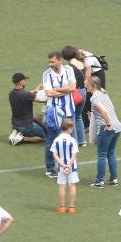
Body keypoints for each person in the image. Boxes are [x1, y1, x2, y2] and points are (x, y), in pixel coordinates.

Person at [41, 50, 77, 179]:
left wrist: (57, 90)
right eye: (49, 61)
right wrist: (65, 90)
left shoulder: (69, 70)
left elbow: (73, 87)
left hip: (68, 111)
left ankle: (66, 165)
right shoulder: (46, 74)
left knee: (68, 139)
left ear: (60, 60)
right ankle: (50, 168)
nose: (50, 64)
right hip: (53, 111)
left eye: (52, 61)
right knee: (52, 140)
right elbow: (49, 93)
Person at [85, 76, 120, 187]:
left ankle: (99, 181)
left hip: (106, 127)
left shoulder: (94, 97)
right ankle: (114, 179)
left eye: (87, 84)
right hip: (117, 127)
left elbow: (104, 111)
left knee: (102, 155)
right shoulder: (104, 93)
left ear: (94, 85)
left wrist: (108, 124)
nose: (85, 86)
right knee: (111, 153)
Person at [49, 117, 79, 213]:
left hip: (61, 167)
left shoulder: (57, 140)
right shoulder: (72, 140)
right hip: (72, 167)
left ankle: (62, 207)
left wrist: (62, 164)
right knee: (72, 186)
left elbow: (54, 154)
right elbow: (74, 154)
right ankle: (71, 207)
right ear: (69, 128)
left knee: (62, 186)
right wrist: (69, 165)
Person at [8, 73, 44, 144]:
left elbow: (29, 95)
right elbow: (40, 99)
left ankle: (16, 133)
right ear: (21, 82)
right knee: (43, 136)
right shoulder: (26, 94)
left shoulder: (11, 93)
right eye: (24, 80)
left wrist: (37, 89)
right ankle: (22, 139)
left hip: (15, 124)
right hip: (26, 125)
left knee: (37, 119)